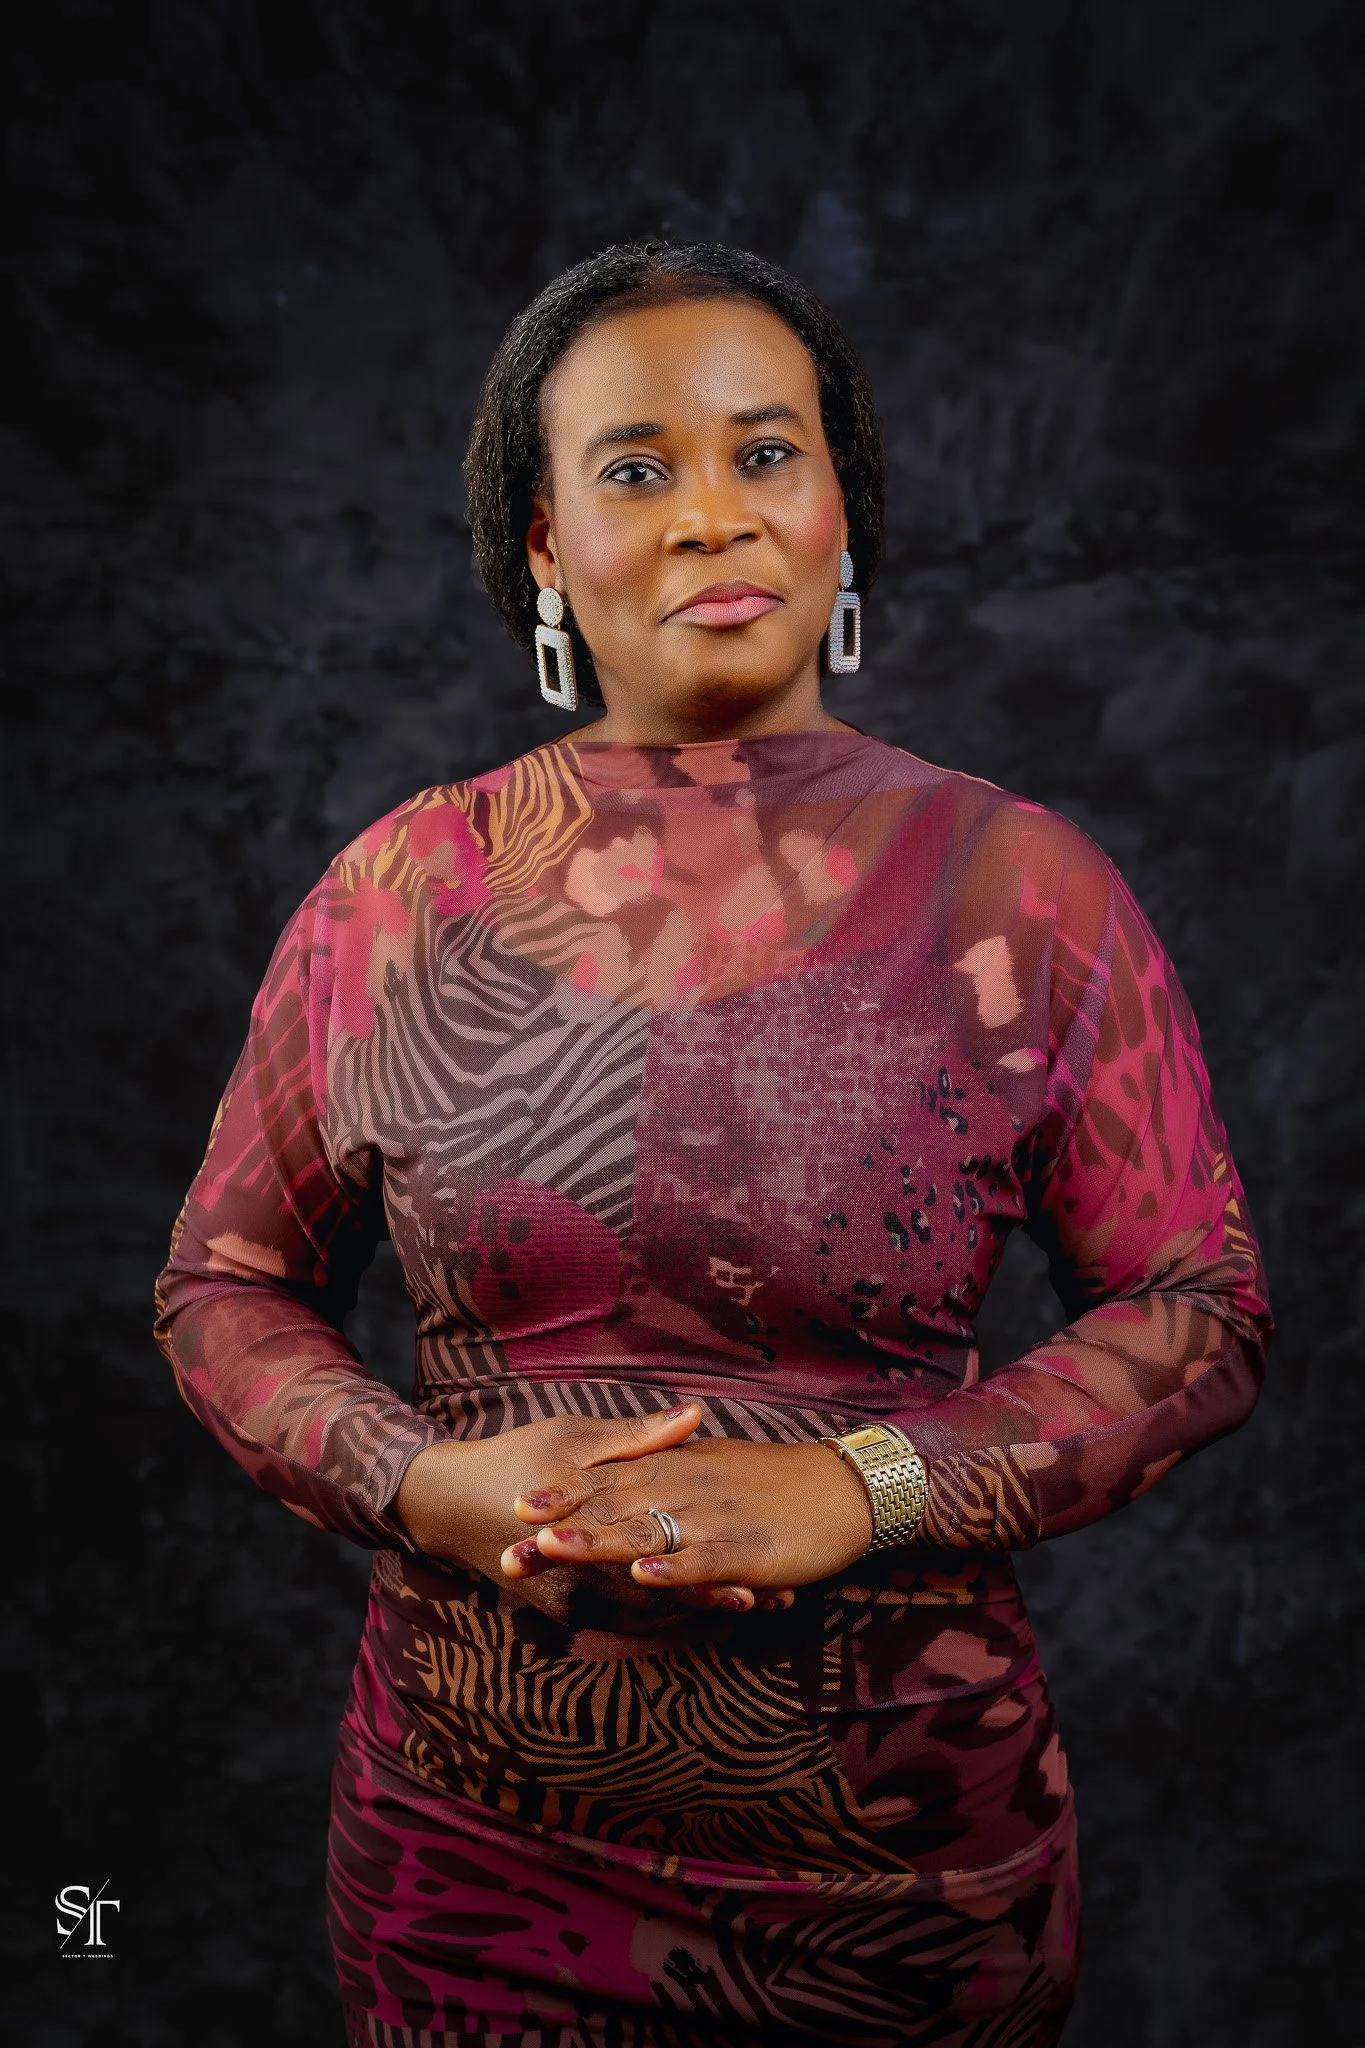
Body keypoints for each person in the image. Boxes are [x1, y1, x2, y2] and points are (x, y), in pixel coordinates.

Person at [154, 241, 1272, 2048]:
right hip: (472, 1862)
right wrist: (424, 1481)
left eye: (766, 453)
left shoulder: (1019, 887)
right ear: (542, 545)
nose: (709, 517)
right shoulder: (399, 895)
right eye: (635, 468)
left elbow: (1200, 1310)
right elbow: (223, 1291)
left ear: (842, 507)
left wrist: (867, 1485)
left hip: (900, 1872)